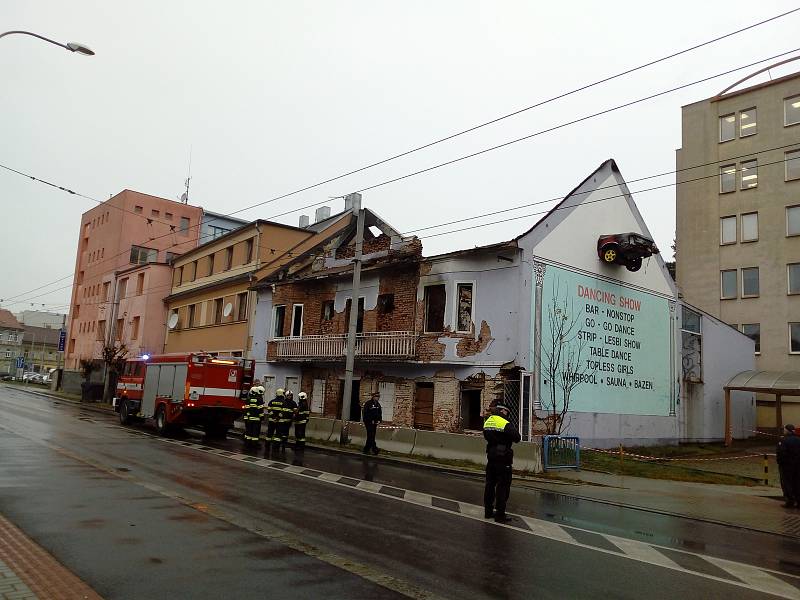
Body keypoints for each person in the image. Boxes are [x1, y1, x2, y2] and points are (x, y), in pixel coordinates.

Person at [483, 404, 521, 523]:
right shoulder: (504, 422)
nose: (507, 414)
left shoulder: (488, 421)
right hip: (503, 456)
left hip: (491, 455)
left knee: (490, 484)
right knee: (503, 486)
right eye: (507, 412)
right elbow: (517, 437)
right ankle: (500, 515)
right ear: (503, 411)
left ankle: (488, 512)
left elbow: (486, 436)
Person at [776, 423, 800, 508]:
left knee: (787, 483)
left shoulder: (783, 440)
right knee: (797, 482)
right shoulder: (798, 439)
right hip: (798, 466)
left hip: (786, 466)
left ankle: (790, 501)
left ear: (786, 430)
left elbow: (781, 453)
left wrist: (780, 462)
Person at [243, 383, 265, 448]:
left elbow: (246, 409)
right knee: (255, 432)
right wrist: (262, 418)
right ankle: (254, 444)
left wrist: (247, 416)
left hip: (249, 419)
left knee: (249, 432)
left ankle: (247, 443)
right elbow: (260, 410)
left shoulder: (248, 399)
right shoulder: (259, 399)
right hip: (256, 419)